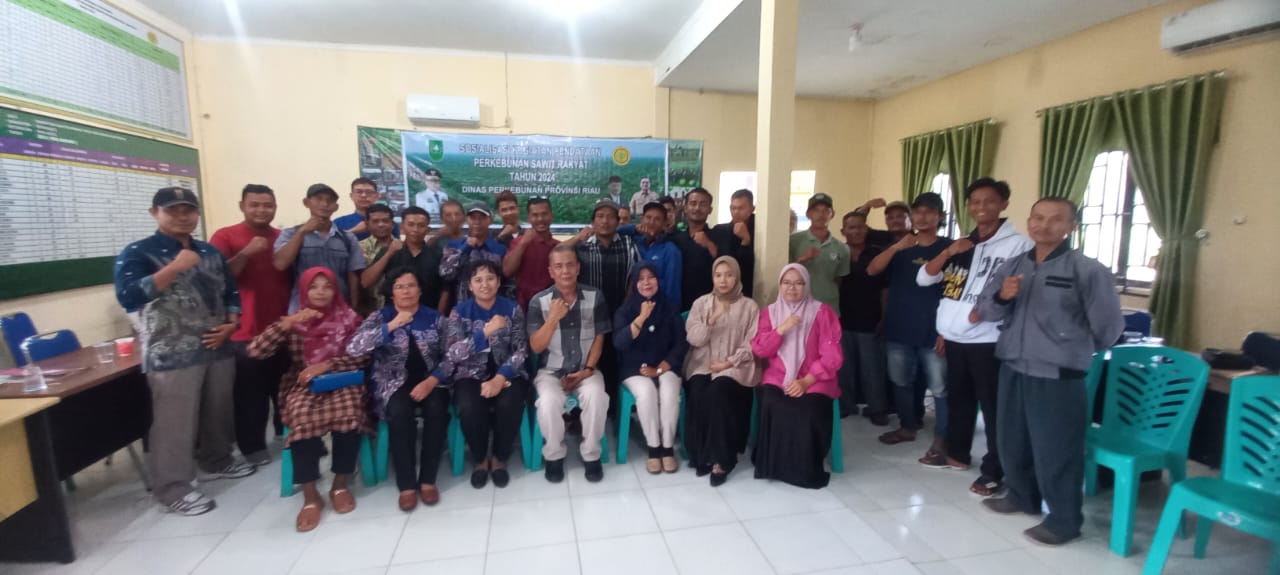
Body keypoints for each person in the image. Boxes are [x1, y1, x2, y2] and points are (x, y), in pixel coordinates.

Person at [975, 198, 1123, 546]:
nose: (1045, 225)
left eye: (1056, 220)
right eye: (1038, 218)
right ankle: (1021, 496)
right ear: (1029, 222)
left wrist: (1070, 347)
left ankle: (1064, 520)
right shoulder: (1012, 266)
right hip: (1013, 364)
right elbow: (985, 311)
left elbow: (1109, 327)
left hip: (1057, 374)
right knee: (1012, 441)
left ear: (1071, 226)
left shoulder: (1086, 270)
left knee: (1055, 449)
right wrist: (1001, 296)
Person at [114, 187, 254, 517]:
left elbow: (230, 290)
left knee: (218, 410)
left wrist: (233, 323)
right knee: (174, 421)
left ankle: (217, 460)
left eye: (188, 210)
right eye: (172, 210)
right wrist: (173, 267)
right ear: (155, 213)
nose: (182, 216)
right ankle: (173, 486)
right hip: (171, 352)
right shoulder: (138, 252)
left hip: (217, 344)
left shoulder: (210, 252)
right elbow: (129, 296)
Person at [917, 179, 1033, 495]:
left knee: (994, 408)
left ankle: (995, 469)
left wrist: (985, 311)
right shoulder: (964, 244)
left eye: (988, 201)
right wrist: (945, 330)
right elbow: (926, 278)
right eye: (974, 201)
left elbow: (1018, 291)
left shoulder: (1019, 246)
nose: (980, 207)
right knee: (960, 400)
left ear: (1003, 204)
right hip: (955, 338)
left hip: (989, 340)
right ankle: (957, 453)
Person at [247, 267, 371, 532]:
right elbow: (256, 350)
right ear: (304, 291)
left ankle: (339, 484)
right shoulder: (294, 322)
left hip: (342, 379)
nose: (321, 292)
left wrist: (327, 365)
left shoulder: (349, 318)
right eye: (314, 287)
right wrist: (285, 325)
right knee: (302, 417)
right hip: (303, 384)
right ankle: (310, 494)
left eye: (327, 286)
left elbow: (363, 355)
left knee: (349, 412)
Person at [347, 268, 450, 510]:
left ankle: (427, 479)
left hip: (430, 380)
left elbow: (453, 355)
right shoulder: (380, 317)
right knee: (400, 412)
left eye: (411, 285)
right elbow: (354, 347)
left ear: (420, 290)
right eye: (400, 286)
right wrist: (391, 326)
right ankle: (406, 484)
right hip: (392, 383)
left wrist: (432, 380)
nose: (406, 291)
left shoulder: (435, 318)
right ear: (391, 293)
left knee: (437, 409)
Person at [209, 184, 291, 466]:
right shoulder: (225, 236)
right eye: (255, 204)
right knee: (250, 395)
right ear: (242, 206)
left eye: (267, 205)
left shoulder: (282, 237)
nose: (261, 210)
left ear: (275, 207)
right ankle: (253, 447)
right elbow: (216, 279)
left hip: (282, 327)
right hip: (246, 330)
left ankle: (291, 435)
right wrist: (245, 253)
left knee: (285, 387)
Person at [867, 192, 953, 455]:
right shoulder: (902, 247)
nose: (923, 216)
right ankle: (907, 427)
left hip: (934, 331)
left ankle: (943, 436)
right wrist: (895, 247)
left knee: (939, 387)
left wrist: (948, 332)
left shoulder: (950, 248)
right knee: (901, 381)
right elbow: (872, 270)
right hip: (900, 328)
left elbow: (956, 291)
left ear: (939, 216)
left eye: (930, 211)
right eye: (918, 212)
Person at [750, 264, 843, 489]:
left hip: (815, 378)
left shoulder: (822, 312)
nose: (792, 288)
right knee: (773, 402)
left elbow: (832, 355)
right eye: (787, 283)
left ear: (807, 285)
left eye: (799, 283)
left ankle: (804, 470)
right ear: (780, 285)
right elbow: (761, 350)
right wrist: (781, 328)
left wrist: (806, 381)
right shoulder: (769, 313)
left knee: (808, 409)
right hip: (778, 376)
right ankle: (774, 465)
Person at [526, 246, 611, 484]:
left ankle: (591, 453)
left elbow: (599, 337)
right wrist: (553, 318)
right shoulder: (538, 301)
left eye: (570, 265)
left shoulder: (595, 296)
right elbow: (535, 347)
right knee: (548, 402)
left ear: (578, 268)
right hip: (551, 372)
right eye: (559, 266)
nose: (565, 271)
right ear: (550, 271)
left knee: (597, 396)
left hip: (586, 369)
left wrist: (587, 370)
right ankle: (554, 454)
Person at [445, 261, 529, 489]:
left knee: (510, 402)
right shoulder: (459, 312)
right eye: (478, 280)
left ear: (499, 282)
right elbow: (453, 353)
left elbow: (521, 349)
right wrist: (484, 333)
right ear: (470, 286)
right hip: (470, 374)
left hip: (508, 371)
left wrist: (500, 377)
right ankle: (481, 459)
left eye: (490, 278)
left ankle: (499, 458)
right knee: (469, 406)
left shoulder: (512, 308)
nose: (485, 284)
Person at [684, 256, 759, 486]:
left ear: (737, 277)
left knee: (718, 391)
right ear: (713, 278)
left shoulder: (749, 306)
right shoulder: (701, 303)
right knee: (697, 390)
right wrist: (711, 321)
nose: (723, 280)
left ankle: (723, 459)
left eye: (729, 275)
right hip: (703, 363)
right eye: (718, 275)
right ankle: (701, 455)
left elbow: (751, 343)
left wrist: (728, 363)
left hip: (735, 367)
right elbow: (694, 339)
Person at [613, 263, 689, 474]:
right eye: (641, 278)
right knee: (646, 392)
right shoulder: (626, 310)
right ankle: (653, 448)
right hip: (635, 369)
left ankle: (667, 447)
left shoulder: (669, 306)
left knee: (669, 390)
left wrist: (664, 366)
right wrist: (641, 318)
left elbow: (681, 342)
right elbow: (619, 343)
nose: (646, 282)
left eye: (651, 277)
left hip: (666, 365)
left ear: (658, 280)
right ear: (634, 283)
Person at [273, 183, 367, 312]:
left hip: (339, 310)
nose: (324, 204)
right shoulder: (290, 234)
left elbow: (353, 275)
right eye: (318, 199)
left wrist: (353, 307)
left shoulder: (347, 238)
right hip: (301, 309)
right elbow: (280, 264)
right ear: (306, 202)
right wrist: (302, 232)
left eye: (329, 201)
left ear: (336, 207)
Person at [836, 210, 890, 425]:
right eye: (851, 227)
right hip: (843, 320)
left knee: (872, 369)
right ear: (843, 231)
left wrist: (884, 317)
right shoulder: (838, 254)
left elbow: (885, 289)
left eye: (860, 227)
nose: (856, 231)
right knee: (844, 367)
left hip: (871, 320)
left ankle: (877, 408)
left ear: (866, 229)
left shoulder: (877, 253)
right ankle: (846, 405)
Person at [361, 206, 446, 313]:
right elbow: (366, 282)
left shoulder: (438, 254)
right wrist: (389, 254)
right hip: (394, 315)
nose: (415, 229)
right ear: (402, 227)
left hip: (429, 314)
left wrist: (439, 315)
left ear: (427, 229)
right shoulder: (390, 251)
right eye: (411, 225)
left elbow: (445, 290)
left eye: (420, 225)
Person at [441, 201, 512, 305]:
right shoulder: (454, 246)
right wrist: (465, 248)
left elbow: (508, 283)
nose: (477, 222)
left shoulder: (500, 249)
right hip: (463, 309)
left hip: (493, 307)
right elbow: (445, 273)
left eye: (482, 217)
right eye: (473, 217)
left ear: (490, 220)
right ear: (467, 220)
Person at [790, 193, 851, 314]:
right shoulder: (793, 241)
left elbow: (839, 280)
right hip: (798, 307)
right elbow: (784, 274)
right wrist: (802, 259)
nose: (821, 215)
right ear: (808, 214)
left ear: (832, 214)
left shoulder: (842, 248)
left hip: (828, 308)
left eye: (826, 211)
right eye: (816, 210)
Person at [671, 187, 726, 311]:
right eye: (693, 203)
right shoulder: (676, 239)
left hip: (710, 306)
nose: (697, 208)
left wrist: (708, 244)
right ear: (685, 208)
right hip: (680, 306)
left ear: (710, 210)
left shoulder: (719, 236)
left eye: (703, 204)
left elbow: (727, 265)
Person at [503, 197, 560, 309]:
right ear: (529, 218)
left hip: (552, 304)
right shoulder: (519, 242)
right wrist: (523, 243)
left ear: (551, 216)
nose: (540, 219)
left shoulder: (557, 245)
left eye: (544, 214)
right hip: (525, 306)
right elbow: (507, 271)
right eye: (535, 215)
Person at [632, 202, 682, 306]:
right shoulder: (634, 242)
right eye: (648, 217)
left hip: (659, 311)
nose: (651, 222)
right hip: (635, 309)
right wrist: (634, 228)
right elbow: (617, 231)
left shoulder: (670, 250)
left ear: (664, 224)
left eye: (657, 219)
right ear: (642, 219)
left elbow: (672, 289)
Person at [355, 203, 398, 315]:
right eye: (375, 221)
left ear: (392, 224)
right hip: (370, 309)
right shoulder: (360, 247)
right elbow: (365, 282)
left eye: (385, 221)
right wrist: (388, 253)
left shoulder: (402, 246)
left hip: (398, 308)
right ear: (367, 224)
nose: (381, 225)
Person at [713, 189, 755, 297]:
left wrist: (746, 240)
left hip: (751, 287)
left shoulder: (759, 229)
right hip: (725, 288)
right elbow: (728, 261)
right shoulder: (722, 230)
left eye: (741, 208)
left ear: (752, 209)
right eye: (733, 208)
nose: (736, 212)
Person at [334, 177, 399, 240]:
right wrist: (353, 231)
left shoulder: (389, 223)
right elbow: (329, 244)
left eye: (369, 192)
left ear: (376, 196)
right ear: (351, 196)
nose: (364, 195)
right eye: (359, 192)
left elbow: (396, 246)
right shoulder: (339, 222)